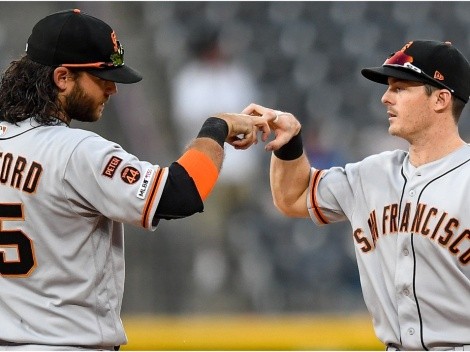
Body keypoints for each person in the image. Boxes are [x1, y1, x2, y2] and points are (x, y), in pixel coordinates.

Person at [0, 9, 269, 351]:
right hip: (68, 343)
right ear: (63, 77)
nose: (113, 88)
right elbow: (179, 194)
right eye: (102, 77)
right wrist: (217, 128)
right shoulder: (77, 152)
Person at [242, 40, 470, 350]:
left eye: (400, 88)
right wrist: (290, 143)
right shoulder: (371, 174)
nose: (385, 98)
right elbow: (292, 198)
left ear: (441, 99)